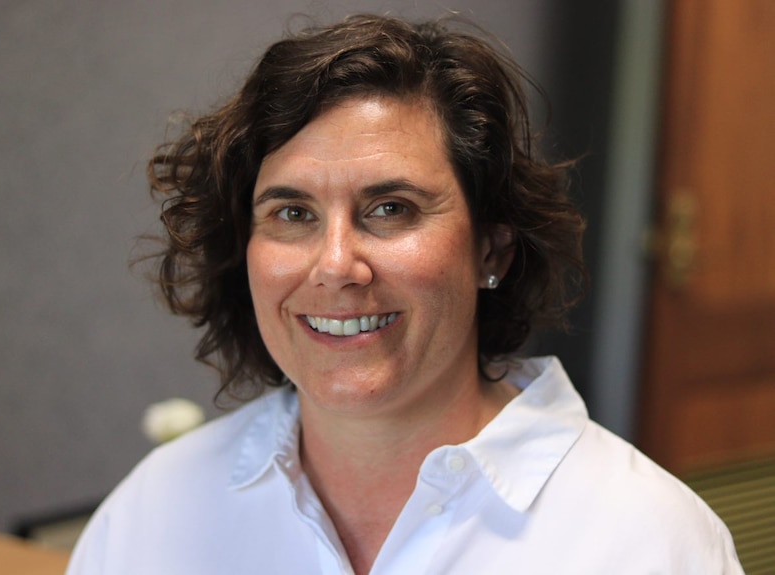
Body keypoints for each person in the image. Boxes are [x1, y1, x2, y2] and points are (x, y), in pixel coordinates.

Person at [66, 14, 743, 575]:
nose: (336, 266)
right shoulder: (154, 515)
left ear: (492, 249)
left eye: (390, 208)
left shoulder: (651, 542)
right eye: (292, 213)